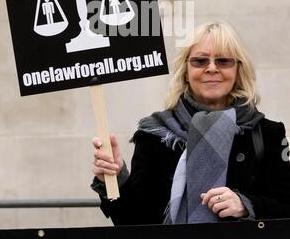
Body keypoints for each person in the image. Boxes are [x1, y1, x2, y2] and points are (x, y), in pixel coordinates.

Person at [91, 21, 290, 225]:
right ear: (185, 70)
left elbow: (286, 206)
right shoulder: (154, 134)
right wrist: (114, 177)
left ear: (238, 69)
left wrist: (245, 205)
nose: (211, 68)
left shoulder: (268, 134)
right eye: (200, 61)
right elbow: (133, 221)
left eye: (223, 61)